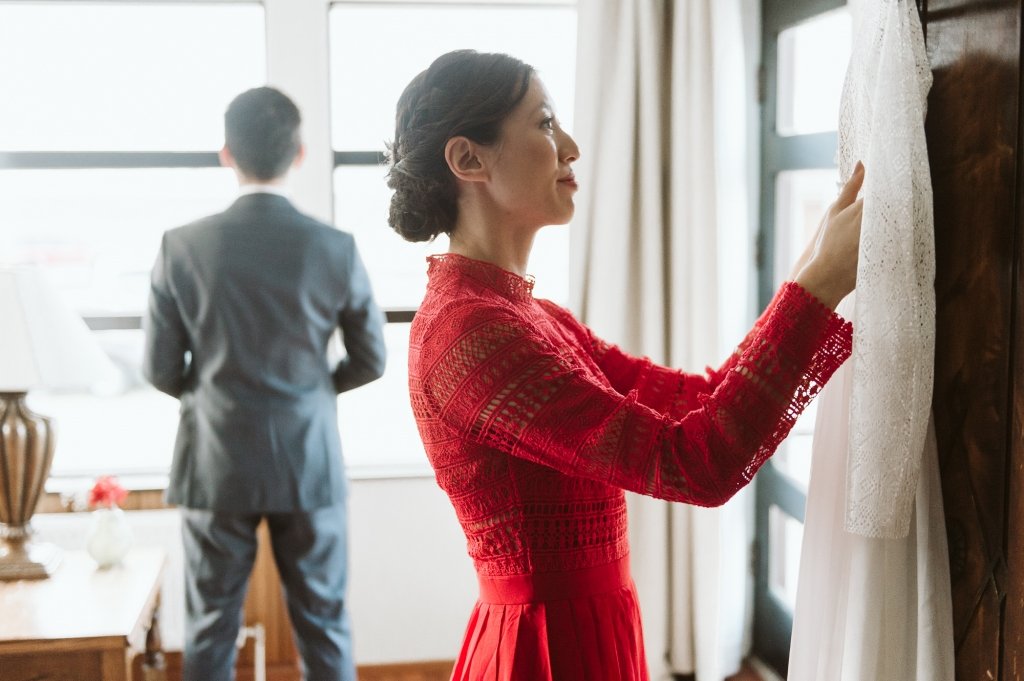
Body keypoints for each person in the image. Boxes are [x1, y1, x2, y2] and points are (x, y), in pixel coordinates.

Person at [387, 50, 863, 680]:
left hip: (592, 629)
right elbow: (698, 463)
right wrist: (818, 290)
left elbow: (699, 397)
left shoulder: (533, 315)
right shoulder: (469, 332)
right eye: (546, 123)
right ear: (468, 159)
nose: (572, 147)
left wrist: (810, 268)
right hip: (543, 651)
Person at [143, 86, 386, 681]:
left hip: (216, 459)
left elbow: (159, 368)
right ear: (299, 153)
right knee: (324, 622)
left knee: (210, 626)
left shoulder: (182, 246)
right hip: (308, 456)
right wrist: (313, 390)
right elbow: (371, 358)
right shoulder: (335, 247)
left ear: (227, 153)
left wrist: (214, 394)